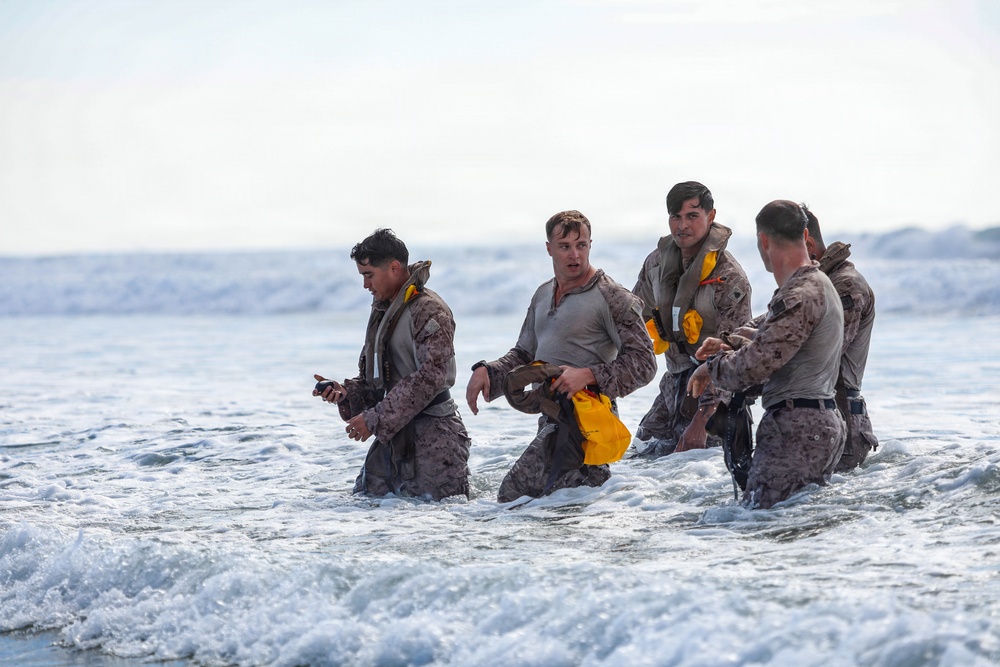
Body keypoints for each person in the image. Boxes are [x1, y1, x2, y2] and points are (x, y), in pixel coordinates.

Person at [465, 210, 657, 503]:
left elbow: (645, 363)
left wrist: (588, 375)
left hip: (587, 423)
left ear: (591, 244)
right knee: (550, 508)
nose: (575, 255)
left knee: (512, 497)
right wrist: (488, 372)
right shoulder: (543, 294)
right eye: (565, 246)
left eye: (581, 245)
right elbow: (524, 354)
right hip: (552, 420)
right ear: (549, 249)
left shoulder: (613, 297)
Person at [687, 200, 846, 509]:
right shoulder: (818, 284)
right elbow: (768, 335)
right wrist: (728, 345)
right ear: (804, 234)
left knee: (760, 526)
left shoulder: (799, 294)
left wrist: (713, 365)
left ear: (763, 240)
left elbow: (755, 366)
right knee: (790, 528)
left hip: (797, 429)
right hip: (816, 424)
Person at [313, 228, 470, 501]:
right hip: (394, 437)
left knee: (438, 523)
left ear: (394, 268)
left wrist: (375, 419)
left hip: (435, 440)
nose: (365, 285)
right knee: (365, 511)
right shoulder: (382, 310)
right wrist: (344, 393)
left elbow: (431, 377)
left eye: (369, 275)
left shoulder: (429, 309)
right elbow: (375, 380)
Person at [630, 181, 752, 457]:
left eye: (692, 216)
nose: (682, 225)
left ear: (711, 216)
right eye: (676, 217)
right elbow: (633, 320)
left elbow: (732, 357)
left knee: (698, 468)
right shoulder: (657, 264)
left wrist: (702, 421)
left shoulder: (730, 277)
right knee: (639, 458)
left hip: (716, 396)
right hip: (672, 385)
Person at [803, 205, 878, 471]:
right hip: (823, 419)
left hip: (842, 423)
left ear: (807, 243)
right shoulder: (815, 283)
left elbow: (824, 352)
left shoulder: (845, 284)